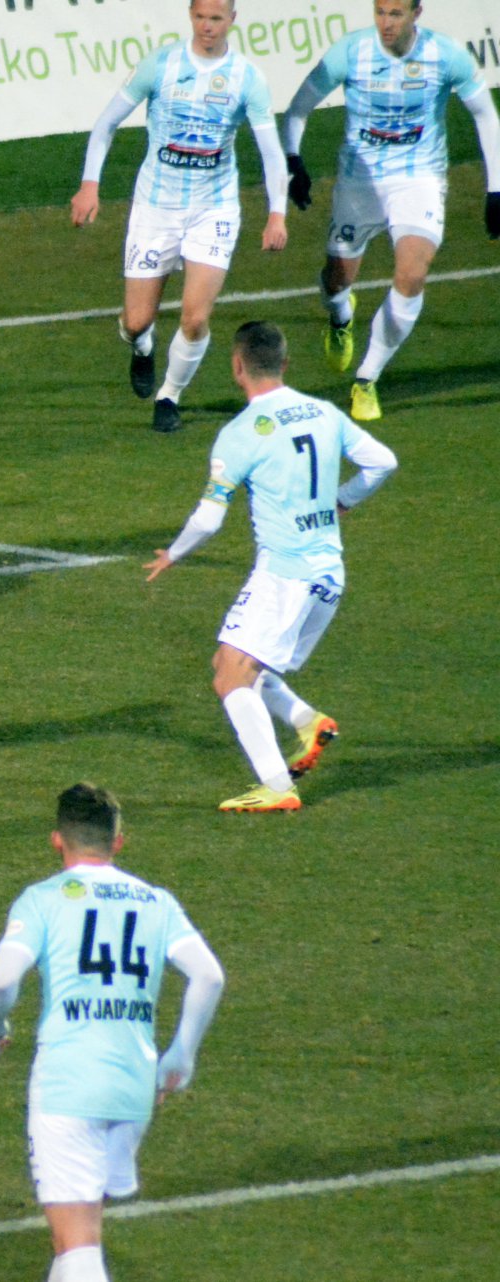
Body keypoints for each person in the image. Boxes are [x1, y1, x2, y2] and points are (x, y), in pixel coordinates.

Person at [0, 783, 225, 1282]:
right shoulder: (156, 901)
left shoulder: (42, 900)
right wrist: (181, 1055)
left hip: (68, 1083)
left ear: (57, 840)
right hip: (134, 1084)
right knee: (78, 1238)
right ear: (118, 842)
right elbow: (209, 976)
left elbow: (2, 980)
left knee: (77, 1245)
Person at [145, 321, 396, 811]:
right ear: (285, 363)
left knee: (230, 677)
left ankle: (278, 787)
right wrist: (344, 499)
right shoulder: (324, 412)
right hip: (329, 575)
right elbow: (383, 461)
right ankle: (307, 722)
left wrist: (173, 553)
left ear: (237, 366)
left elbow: (209, 519)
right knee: (235, 662)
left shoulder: (240, 434)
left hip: (285, 576)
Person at [71, 0, 289, 434]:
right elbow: (105, 124)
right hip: (156, 207)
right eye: (200, 17)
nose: (207, 27)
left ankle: (169, 396)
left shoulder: (247, 78)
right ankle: (142, 346)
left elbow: (270, 152)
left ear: (232, 20)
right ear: (191, 15)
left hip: (214, 208)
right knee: (136, 321)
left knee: (195, 317)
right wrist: (90, 184)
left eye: (216, 19)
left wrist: (276, 213)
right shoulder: (160, 65)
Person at [282, 0, 500, 421]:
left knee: (412, 274)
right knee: (336, 279)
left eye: (396, 13)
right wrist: (294, 160)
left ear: (416, 14)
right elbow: (297, 110)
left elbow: (485, 115)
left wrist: (496, 189)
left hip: (420, 178)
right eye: (380, 12)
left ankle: (367, 379)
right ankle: (340, 316)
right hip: (359, 181)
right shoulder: (351, 52)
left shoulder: (445, 54)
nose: (386, 22)